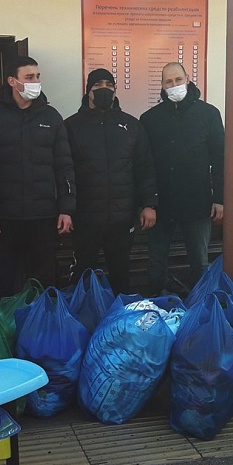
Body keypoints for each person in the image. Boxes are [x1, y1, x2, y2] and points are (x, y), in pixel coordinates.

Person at [0, 56, 75, 302]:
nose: (36, 82)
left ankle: (43, 322)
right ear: (12, 81)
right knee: (5, 279)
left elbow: (64, 167)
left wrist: (66, 208)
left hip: (43, 215)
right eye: (29, 77)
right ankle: (2, 322)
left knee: (44, 279)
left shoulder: (51, 117)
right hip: (5, 217)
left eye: (37, 77)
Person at [64, 68, 157, 295]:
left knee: (120, 276)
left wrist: (149, 204)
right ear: (88, 91)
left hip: (122, 218)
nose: (104, 89)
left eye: (109, 85)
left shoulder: (132, 126)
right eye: (97, 85)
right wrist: (65, 209)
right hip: (85, 218)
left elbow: (145, 168)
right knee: (81, 277)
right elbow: (64, 171)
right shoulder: (71, 126)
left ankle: (119, 315)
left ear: (115, 90)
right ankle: (81, 314)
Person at [139, 62, 225, 295]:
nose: (174, 85)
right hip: (160, 204)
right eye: (168, 82)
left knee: (199, 262)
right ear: (162, 85)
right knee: (156, 264)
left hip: (197, 202)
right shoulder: (149, 119)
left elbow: (220, 159)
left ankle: (200, 307)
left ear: (188, 79)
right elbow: (144, 165)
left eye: (178, 80)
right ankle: (154, 307)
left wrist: (220, 198)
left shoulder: (209, 114)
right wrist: (147, 203)